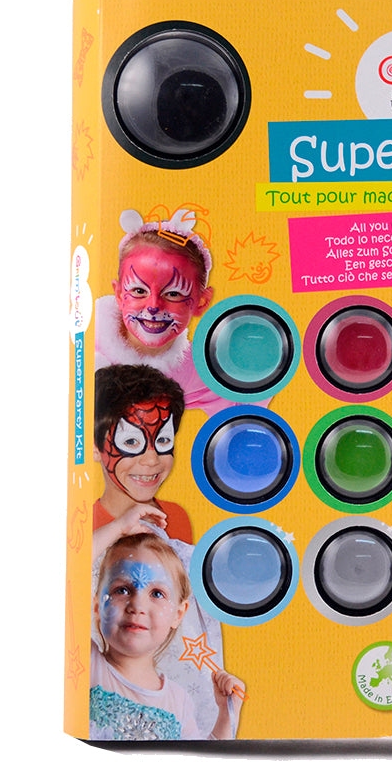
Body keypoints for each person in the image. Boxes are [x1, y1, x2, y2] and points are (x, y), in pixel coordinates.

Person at [90, 533, 245, 740]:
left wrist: (227, 714)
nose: (137, 606)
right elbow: (69, 569)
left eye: (156, 593)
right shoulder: (86, 663)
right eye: (123, 590)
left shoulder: (179, 702)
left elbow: (200, 759)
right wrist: (119, 527)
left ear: (178, 614)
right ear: (97, 605)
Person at [94, 208, 245, 416]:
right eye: (139, 291)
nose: (153, 306)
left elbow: (240, 407)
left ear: (201, 302)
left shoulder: (193, 370)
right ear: (120, 295)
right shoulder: (88, 340)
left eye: (173, 294)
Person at [92, 363, 193, 554]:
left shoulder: (175, 517)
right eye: (131, 442)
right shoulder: (82, 528)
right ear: (95, 447)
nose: (151, 460)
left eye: (163, 440)